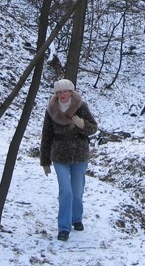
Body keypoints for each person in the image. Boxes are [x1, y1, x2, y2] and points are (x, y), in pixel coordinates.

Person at [40, 78, 98, 241]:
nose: (63, 95)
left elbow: (93, 128)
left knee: (77, 191)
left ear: (71, 92)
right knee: (66, 191)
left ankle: (76, 218)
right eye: (59, 92)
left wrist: (82, 124)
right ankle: (63, 227)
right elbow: (46, 135)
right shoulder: (51, 110)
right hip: (60, 155)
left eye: (65, 91)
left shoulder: (81, 106)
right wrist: (44, 160)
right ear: (56, 94)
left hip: (80, 154)